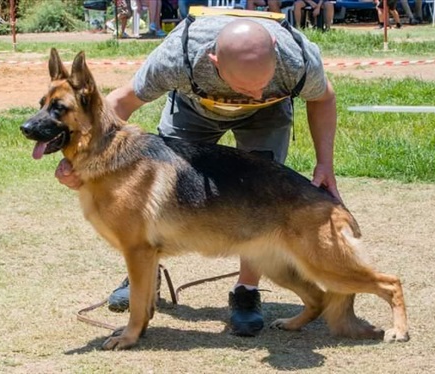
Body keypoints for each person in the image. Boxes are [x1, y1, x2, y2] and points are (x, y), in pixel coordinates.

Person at [56, 15, 341, 337]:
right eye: (245, 87)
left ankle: (247, 291)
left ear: (275, 52)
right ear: (214, 61)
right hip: (194, 111)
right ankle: (146, 278)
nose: (254, 93)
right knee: (158, 202)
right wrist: (86, 161)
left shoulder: (296, 60)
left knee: (259, 202)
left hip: (267, 116)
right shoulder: (177, 57)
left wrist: (325, 164)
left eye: (264, 82)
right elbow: (120, 102)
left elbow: (323, 98)